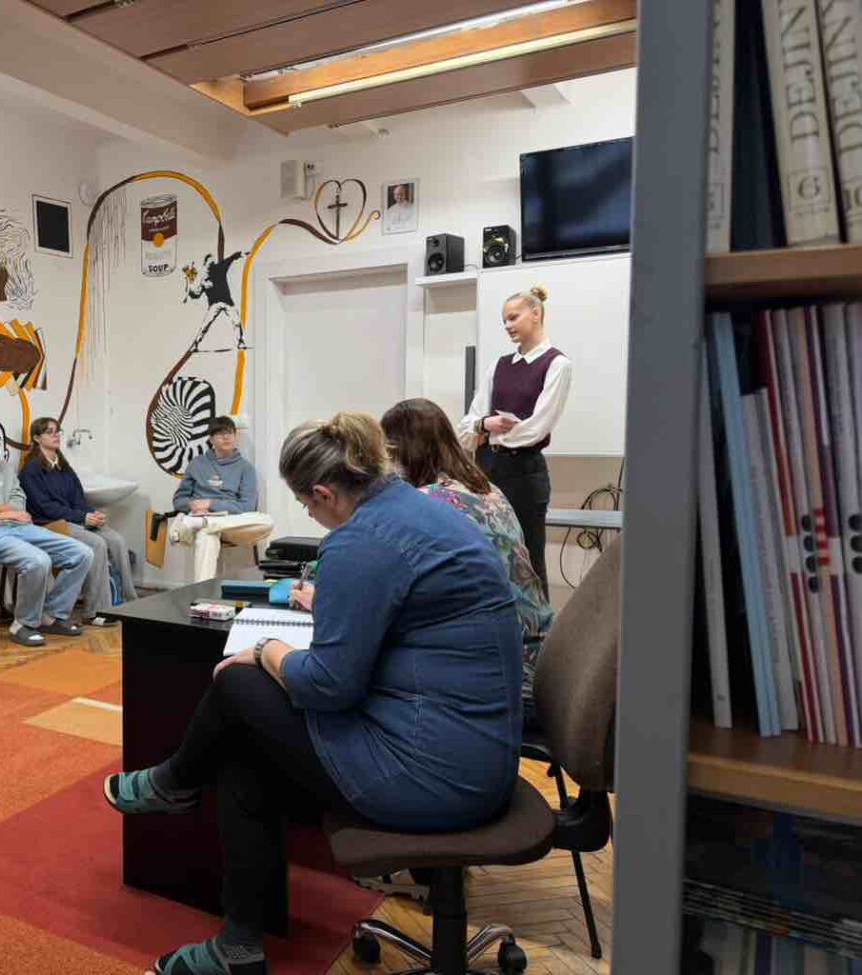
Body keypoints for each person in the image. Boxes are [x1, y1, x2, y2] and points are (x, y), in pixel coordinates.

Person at [105, 413, 522, 975]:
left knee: (238, 683)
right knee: (245, 753)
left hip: (431, 775)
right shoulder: (417, 509)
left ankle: (173, 782)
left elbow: (328, 685)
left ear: (324, 493)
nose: (310, 515)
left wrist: (266, 650)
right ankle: (237, 949)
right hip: (476, 754)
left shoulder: (362, 540)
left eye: (306, 505)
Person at [382, 397, 553, 730]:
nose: (386, 463)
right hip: (541, 660)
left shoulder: (427, 501)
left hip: (505, 677)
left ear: (404, 451)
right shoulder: (488, 490)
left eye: (389, 452)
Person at [0, 411, 93, 647]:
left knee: (82, 553)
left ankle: (51, 614)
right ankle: (22, 624)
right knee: (38, 561)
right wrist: (7, 513)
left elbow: (19, 504)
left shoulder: (3, 467)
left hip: (20, 527)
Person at [457, 284, 572, 594]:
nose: (508, 325)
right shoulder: (499, 365)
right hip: (485, 469)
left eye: (513, 317)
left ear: (536, 314)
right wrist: (486, 424)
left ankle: (538, 625)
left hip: (524, 472)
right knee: (487, 554)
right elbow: (467, 426)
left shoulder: (556, 364)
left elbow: (536, 428)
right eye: (504, 320)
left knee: (529, 560)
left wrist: (487, 430)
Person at [19, 417, 137, 618]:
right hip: (50, 524)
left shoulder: (64, 467)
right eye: (49, 432)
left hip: (73, 519)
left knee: (117, 540)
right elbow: (45, 508)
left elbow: (78, 499)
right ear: (37, 438)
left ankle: (130, 601)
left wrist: (92, 514)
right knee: (97, 543)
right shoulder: (31, 470)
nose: (56, 435)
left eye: (57, 431)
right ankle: (97, 610)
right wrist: (83, 517)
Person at [169, 416, 274, 582]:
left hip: (232, 525)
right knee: (207, 536)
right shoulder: (197, 464)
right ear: (211, 439)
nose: (226, 437)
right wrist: (192, 505)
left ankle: (205, 523)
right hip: (202, 518)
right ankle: (203, 592)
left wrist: (211, 503)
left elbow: (247, 507)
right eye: (220, 434)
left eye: (229, 433)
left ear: (235, 436)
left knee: (267, 521)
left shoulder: (246, 468)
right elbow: (179, 500)